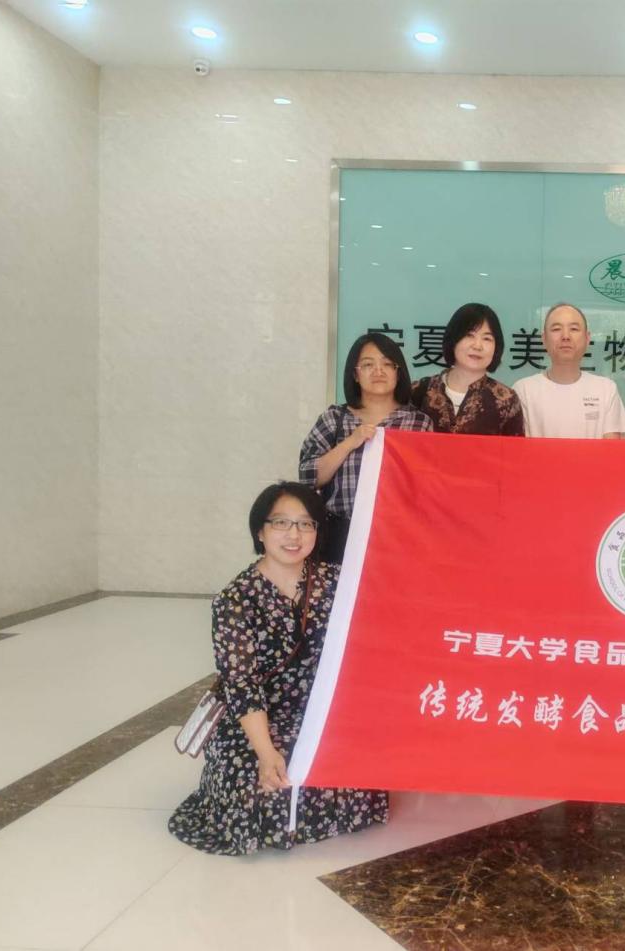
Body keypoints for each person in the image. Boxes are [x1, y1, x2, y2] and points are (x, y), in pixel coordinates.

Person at [169, 482, 389, 855]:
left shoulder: (338, 581)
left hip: (320, 711)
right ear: (260, 531)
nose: (294, 535)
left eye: (305, 524)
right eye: (281, 523)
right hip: (259, 716)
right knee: (267, 782)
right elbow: (242, 684)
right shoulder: (235, 599)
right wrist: (266, 751)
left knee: (347, 769)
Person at [299, 332, 433, 563]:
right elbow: (308, 477)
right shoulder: (335, 418)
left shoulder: (419, 423)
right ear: (355, 374)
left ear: (398, 373)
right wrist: (351, 442)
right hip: (340, 534)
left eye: (387, 364)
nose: (378, 371)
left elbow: (427, 485)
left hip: (400, 535)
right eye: (368, 365)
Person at [512, 303, 625, 438]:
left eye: (574, 329)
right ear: (544, 339)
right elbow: (516, 447)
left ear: (587, 338)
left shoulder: (606, 389)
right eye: (556, 329)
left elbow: (612, 448)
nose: (565, 336)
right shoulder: (523, 390)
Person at [411, 303, 525, 436]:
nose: (477, 346)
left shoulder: (507, 400)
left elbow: (514, 448)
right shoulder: (419, 390)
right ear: (453, 340)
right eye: (469, 335)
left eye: (487, 338)